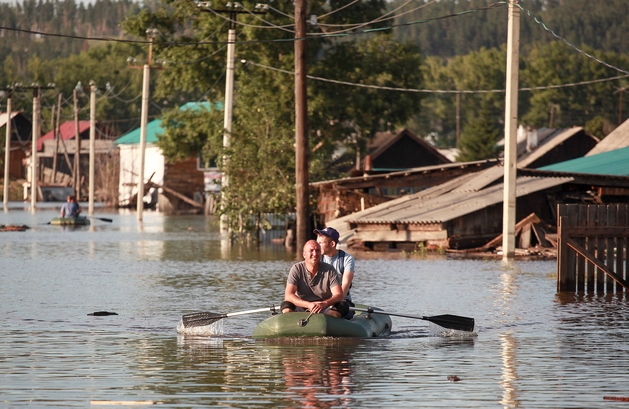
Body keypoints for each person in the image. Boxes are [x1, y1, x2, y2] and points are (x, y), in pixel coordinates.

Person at [281, 240, 349, 318]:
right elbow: (289, 295)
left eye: (317, 251)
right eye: (311, 251)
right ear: (304, 254)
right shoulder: (296, 269)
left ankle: (326, 323)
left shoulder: (329, 269)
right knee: (286, 306)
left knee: (343, 305)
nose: (315, 254)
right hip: (301, 307)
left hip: (324, 308)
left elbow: (339, 295)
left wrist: (324, 303)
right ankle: (293, 325)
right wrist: (308, 305)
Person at [314, 227, 356, 319]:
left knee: (339, 307)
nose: (317, 246)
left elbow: (344, 287)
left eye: (320, 243)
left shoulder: (347, 259)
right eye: (317, 242)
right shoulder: (315, 258)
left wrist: (327, 304)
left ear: (332, 244)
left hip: (341, 301)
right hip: (319, 301)